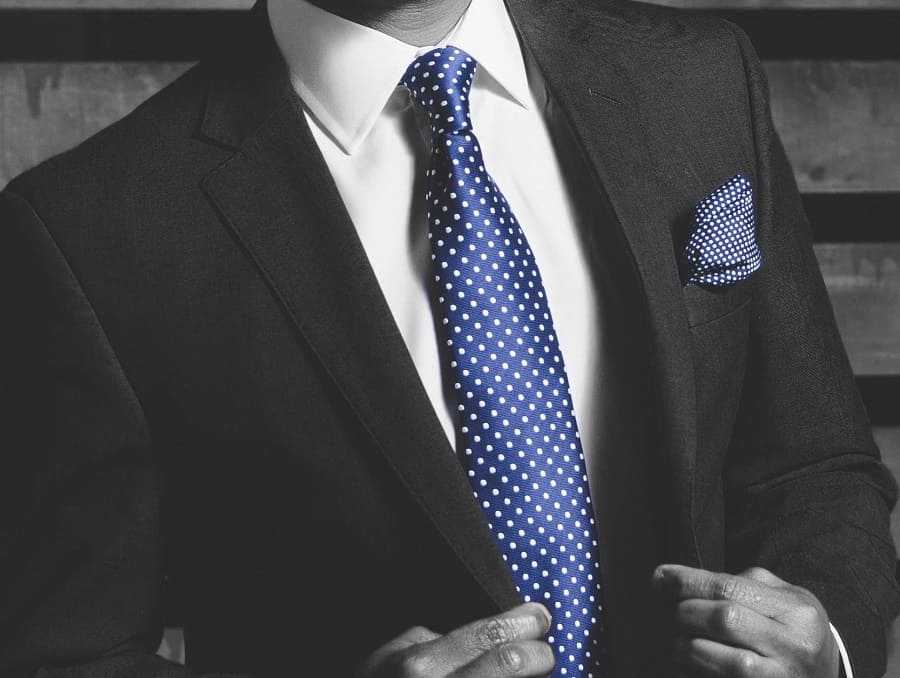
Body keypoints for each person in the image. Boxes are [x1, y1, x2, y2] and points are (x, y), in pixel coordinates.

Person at [1, 0, 897, 675]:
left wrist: (834, 647)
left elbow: (814, 468)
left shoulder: (699, 82)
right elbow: (62, 655)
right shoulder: (89, 231)